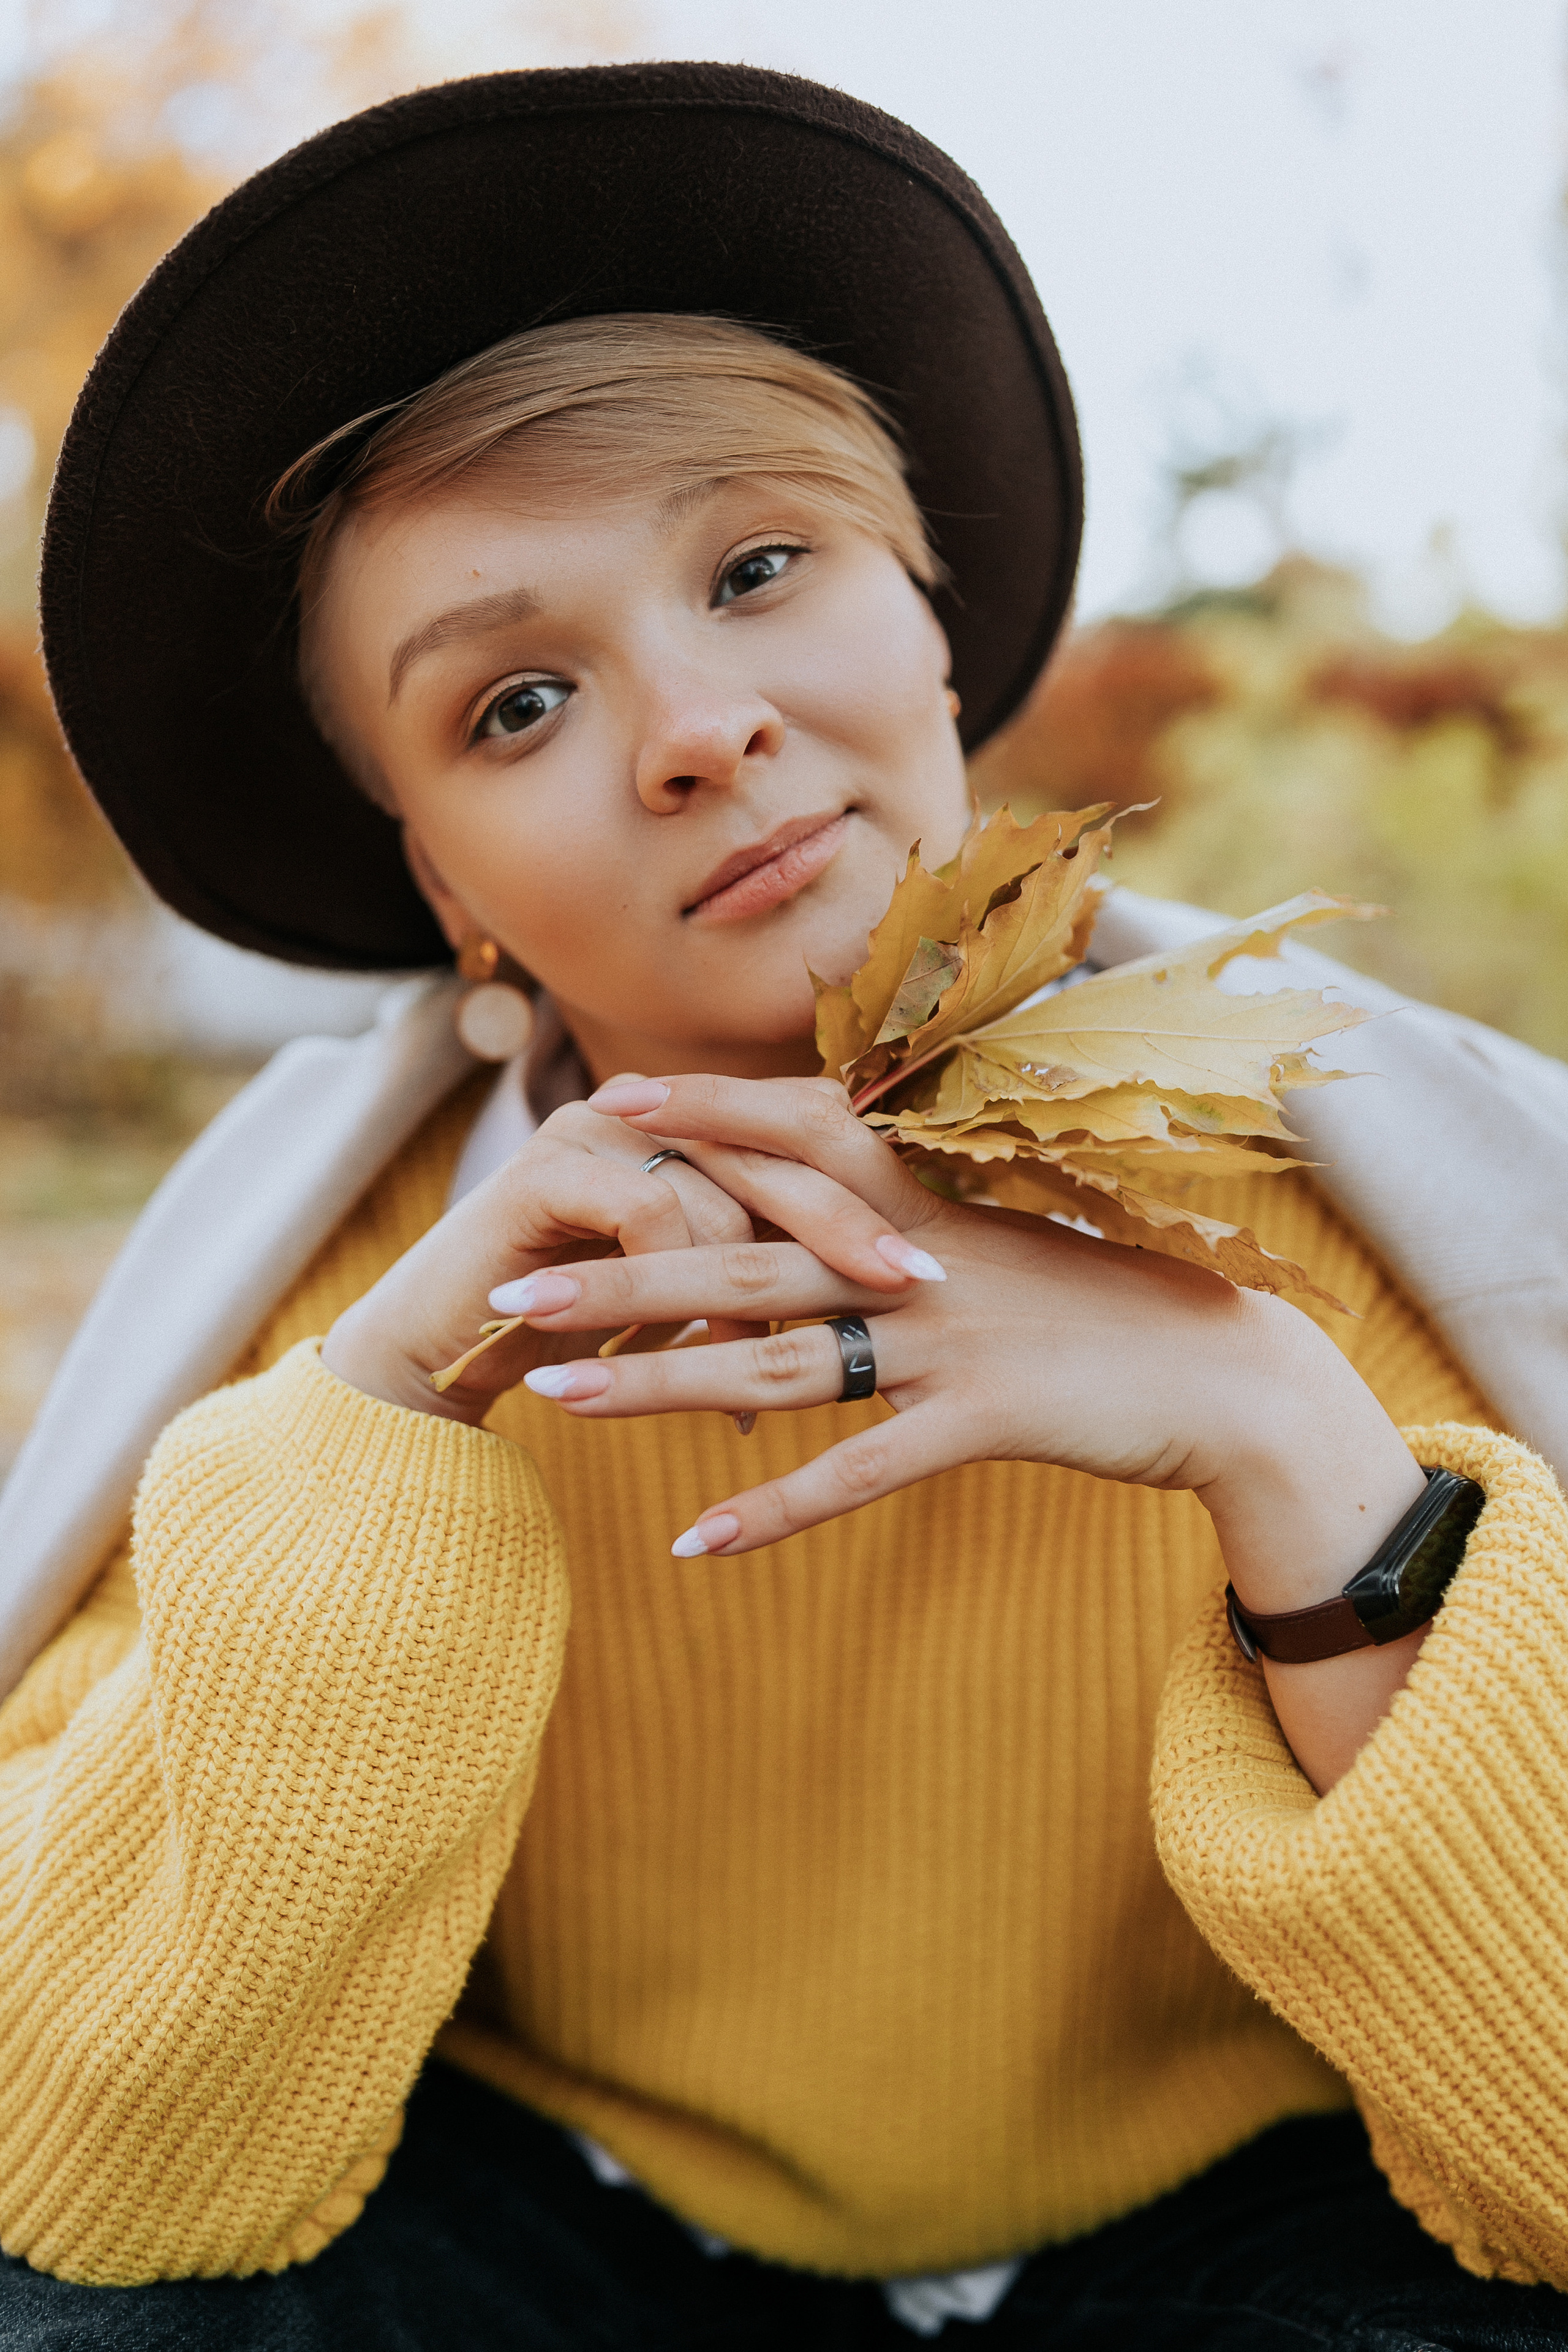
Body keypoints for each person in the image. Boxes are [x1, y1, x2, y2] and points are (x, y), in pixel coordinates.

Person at [2, 61, 1568, 2351]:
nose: (696, 726)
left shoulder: (1362, 1188)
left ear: (929, 609)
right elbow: (92, 2171)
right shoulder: (324, 1306)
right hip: (578, 2233)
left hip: (1248, 2232)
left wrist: (1281, 1438)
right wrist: (384, 1408)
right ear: (443, 877)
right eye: (519, 702)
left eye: (757, 567)